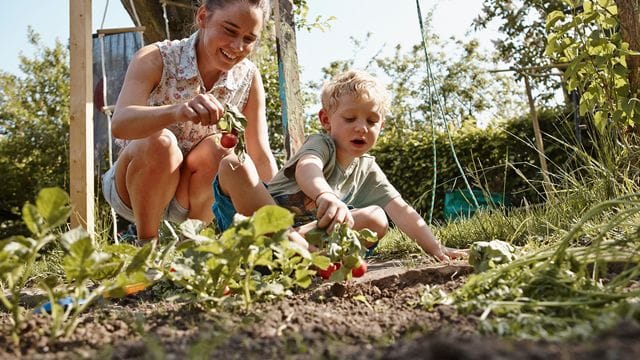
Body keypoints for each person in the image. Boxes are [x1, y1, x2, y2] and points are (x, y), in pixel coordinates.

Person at [213, 69, 466, 261]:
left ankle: (296, 249)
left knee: (378, 217)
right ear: (326, 119)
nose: (361, 127)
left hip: (306, 239)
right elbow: (307, 168)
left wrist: (436, 249)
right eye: (350, 118)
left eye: (371, 120)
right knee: (235, 163)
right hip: (253, 222)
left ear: (382, 127)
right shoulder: (322, 144)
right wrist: (325, 194)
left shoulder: (368, 170)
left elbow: (401, 210)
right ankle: (285, 241)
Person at [101, 0, 278, 243]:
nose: (237, 46)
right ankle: (147, 247)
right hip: (134, 189)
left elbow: (259, 153)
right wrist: (177, 111)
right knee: (160, 142)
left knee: (222, 148)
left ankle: (192, 245)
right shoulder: (156, 58)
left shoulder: (248, 77)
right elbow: (120, 124)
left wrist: (280, 210)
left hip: (193, 194)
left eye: (249, 39)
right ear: (203, 17)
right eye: (229, 30)